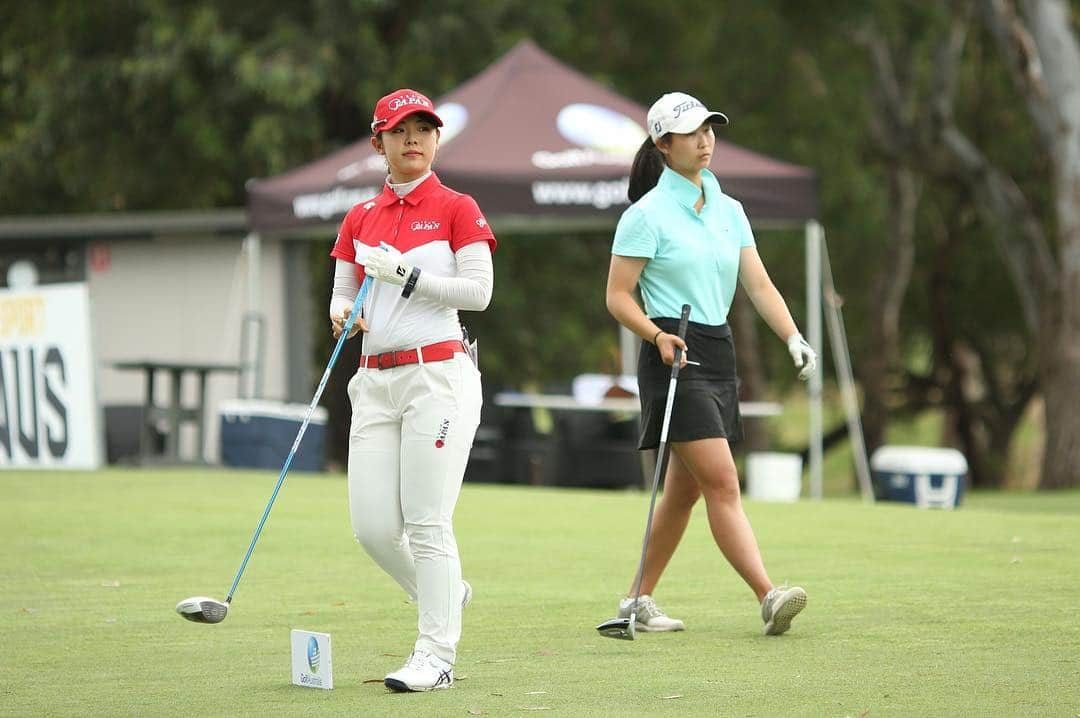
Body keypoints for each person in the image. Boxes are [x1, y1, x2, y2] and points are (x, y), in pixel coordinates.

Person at [605, 91, 817, 636]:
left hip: (717, 350)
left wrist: (793, 335)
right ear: (662, 144)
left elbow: (760, 283)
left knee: (684, 492)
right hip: (671, 351)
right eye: (691, 132)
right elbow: (618, 296)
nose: (705, 140)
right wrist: (654, 335)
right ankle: (768, 595)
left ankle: (636, 601)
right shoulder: (645, 215)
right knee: (722, 480)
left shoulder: (730, 210)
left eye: (709, 129)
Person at [328, 88, 496, 692]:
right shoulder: (360, 218)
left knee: (427, 522)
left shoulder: (456, 206)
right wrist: (344, 312)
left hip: (438, 377)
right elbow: (342, 293)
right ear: (379, 142)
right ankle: (448, 590)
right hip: (374, 382)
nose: (414, 140)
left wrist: (406, 273)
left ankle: (436, 656)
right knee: (373, 528)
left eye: (424, 130)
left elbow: (478, 293)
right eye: (401, 131)